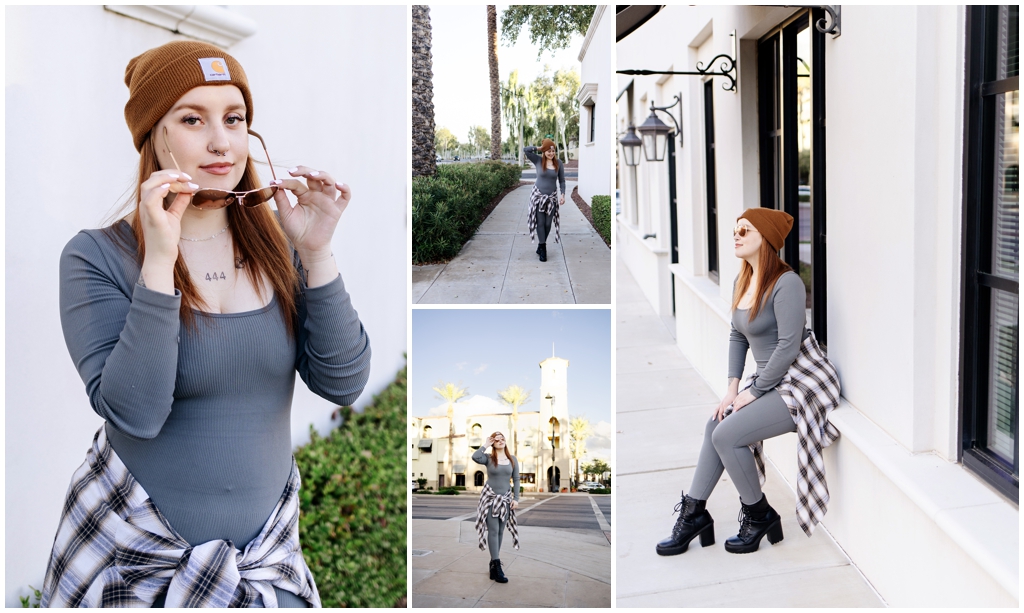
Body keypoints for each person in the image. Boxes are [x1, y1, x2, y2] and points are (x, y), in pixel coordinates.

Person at [41, 40, 372, 608]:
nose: (221, 140)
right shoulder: (96, 257)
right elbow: (136, 412)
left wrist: (316, 253)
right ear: (154, 136)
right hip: (132, 564)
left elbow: (342, 382)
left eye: (235, 118)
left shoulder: (282, 246)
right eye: (192, 119)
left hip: (266, 563)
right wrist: (159, 264)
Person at [656, 208, 840, 557]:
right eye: (735, 230)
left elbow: (788, 346)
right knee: (716, 422)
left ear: (766, 238)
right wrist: (731, 390)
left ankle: (760, 515)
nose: (736, 235)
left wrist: (752, 392)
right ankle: (695, 512)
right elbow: (737, 336)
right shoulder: (745, 279)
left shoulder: (787, 283)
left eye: (745, 230)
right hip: (770, 378)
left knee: (726, 434)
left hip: (802, 381)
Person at [472, 432, 521, 583]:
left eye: (502, 439)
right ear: (493, 443)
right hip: (490, 499)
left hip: (506, 499)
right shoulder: (488, 458)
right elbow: (475, 456)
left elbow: (517, 479)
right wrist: (485, 444)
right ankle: (497, 565)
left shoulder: (512, 459)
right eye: (496, 439)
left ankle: (493, 564)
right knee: (493, 531)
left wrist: (517, 498)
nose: (500, 441)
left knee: (500, 531)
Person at [523, 139, 566, 262]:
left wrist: (562, 194)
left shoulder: (558, 163)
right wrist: (539, 148)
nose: (551, 153)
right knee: (540, 223)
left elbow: (562, 180)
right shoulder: (538, 160)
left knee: (548, 224)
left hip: (551, 198)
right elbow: (525, 150)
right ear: (544, 151)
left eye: (553, 150)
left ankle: (540, 245)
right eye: (548, 150)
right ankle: (543, 248)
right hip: (538, 196)